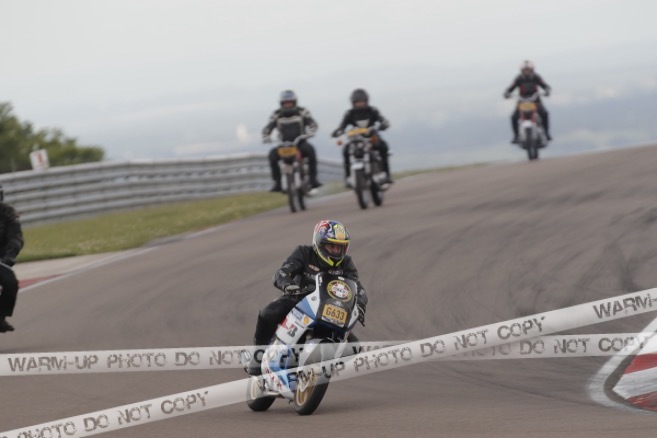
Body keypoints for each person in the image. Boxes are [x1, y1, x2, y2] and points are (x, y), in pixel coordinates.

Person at [247, 219, 368, 376]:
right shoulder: (304, 253)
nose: (335, 251)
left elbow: (358, 288)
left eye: (339, 247)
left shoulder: (346, 263)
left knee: (353, 346)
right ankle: (258, 355)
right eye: (331, 246)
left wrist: (360, 306)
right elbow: (282, 272)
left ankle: (320, 366)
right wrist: (289, 285)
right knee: (268, 313)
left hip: (329, 307)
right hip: (298, 299)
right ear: (319, 243)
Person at [262, 90, 322, 192]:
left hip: (300, 143)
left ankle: (313, 180)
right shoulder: (276, 114)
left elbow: (312, 123)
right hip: (283, 145)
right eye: (285, 103)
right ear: (281, 103)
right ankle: (277, 183)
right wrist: (266, 136)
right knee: (272, 155)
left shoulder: (302, 111)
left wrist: (311, 132)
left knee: (311, 150)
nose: (288, 105)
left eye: (290, 102)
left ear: (294, 102)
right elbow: (268, 127)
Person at [331, 89, 393, 187]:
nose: (360, 104)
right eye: (357, 102)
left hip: (372, 136)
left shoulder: (372, 110)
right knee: (345, 150)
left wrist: (383, 124)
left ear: (366, 101)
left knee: (383, 146)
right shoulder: (349, 113)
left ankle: (386, 174)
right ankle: (348, 178)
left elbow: (382, 119)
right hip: (356, 138)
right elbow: (342, 126)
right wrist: (338, 131)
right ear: (353, 103)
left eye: (362, 102)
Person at [504, 60, 552, 143]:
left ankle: (547, 133)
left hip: (535, 101)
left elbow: (545, 85)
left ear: (532, 70)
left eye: (528, 70)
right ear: (522, 70)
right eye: (525, 70)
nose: (527, 72)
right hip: (522, 102)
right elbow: (511, 88)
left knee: (544, 114)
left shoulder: (536, 77)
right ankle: (516, 136)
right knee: (514, 117)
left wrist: (547, 90)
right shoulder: (519, 78)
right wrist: (507, 93)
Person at [0, 184, 24, 333]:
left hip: (1, 260)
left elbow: (16, 238)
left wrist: (9, 256)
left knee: (11, 283)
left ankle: (1, 316)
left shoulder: (8, 213)